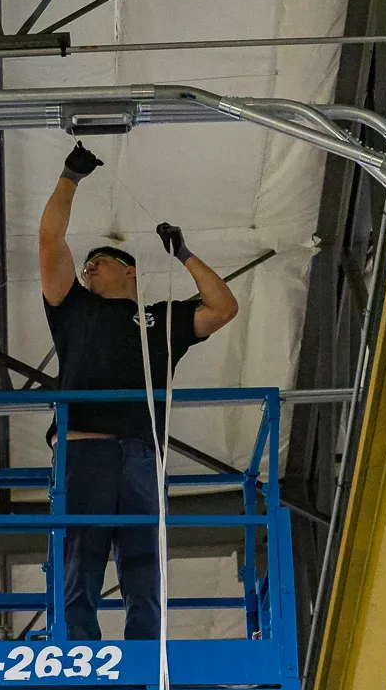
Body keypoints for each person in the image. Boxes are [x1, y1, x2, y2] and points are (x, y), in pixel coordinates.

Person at [38, 141, 241, 641]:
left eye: (99, 261)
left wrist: (184, 254)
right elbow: (49, 240)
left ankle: (146, 648)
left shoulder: (162, 317)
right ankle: (78, 646)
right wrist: (70, 177)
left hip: (141, 451)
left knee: (143, 555)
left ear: (130, 270)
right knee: (79, 552)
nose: (88, 269)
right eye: (86, 265)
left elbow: (222, 308)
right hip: (85, 446)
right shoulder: (73, 307)